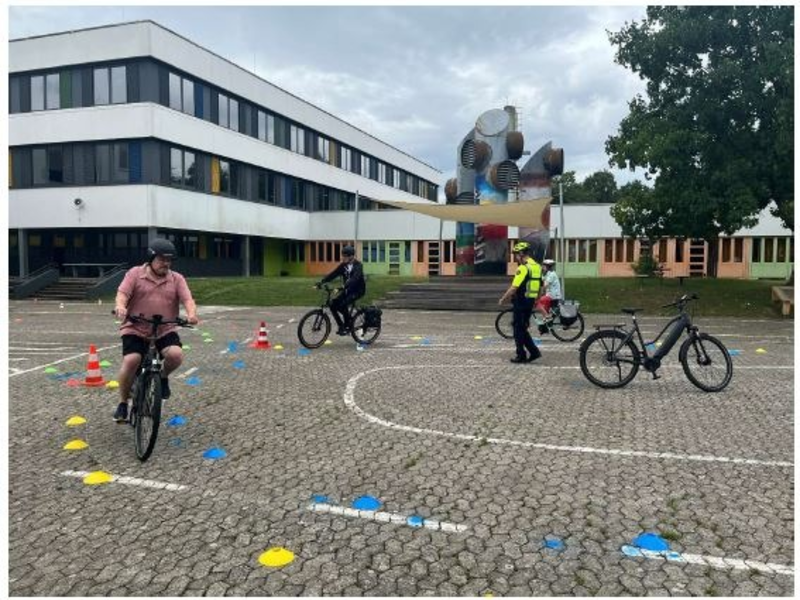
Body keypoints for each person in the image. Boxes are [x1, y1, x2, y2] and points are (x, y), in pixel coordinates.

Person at [112, 239, 199, 422]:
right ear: (151, 258)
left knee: (175, 355)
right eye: (161, 259)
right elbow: (122, 294)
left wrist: (191, 314)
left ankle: (163, 377)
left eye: (169, 260)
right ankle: (122, 403)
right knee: (132, 360)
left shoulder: (176, 278)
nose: (166, 263)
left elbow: (187, 299)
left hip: (164, 328)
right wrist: (120, 306)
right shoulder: (135, 273)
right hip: (135, 327)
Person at [498, 241, 542, 363]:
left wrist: (503, 299)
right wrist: (537, 299)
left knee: (518, 329)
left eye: (516, 255)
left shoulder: (523, 268)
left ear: (521, 253)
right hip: (530, 301)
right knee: (522, 328)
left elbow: (514, 287)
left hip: (521, 301)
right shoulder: (537, 267)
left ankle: (521, 354)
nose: (516, 257)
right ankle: (534, 352)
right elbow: (541, 286)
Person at [317, 244, 365, 335]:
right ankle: (342, 326)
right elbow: (333, 274)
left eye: (345, 256)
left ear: (351, 256)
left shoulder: (358, 265)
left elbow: (355, 278)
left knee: (342, 305)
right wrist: (322, 282)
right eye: (343, 255)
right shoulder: (343, 266)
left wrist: (345, 285)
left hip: (357, 291)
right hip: (347, 290)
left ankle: (348, 324)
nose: (343, 258)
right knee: (332, 305)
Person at [535, 258, 563, 330]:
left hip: (553, 296)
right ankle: (546, 323)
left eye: (544, 266)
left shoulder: (552, 275)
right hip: (550, 295)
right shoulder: (547, 274)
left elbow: (544, 285)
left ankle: (547, 317)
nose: (542, 267)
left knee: (537, 302)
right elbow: (539, 281)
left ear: (548, 267)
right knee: (544, 307)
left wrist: (537, 291)